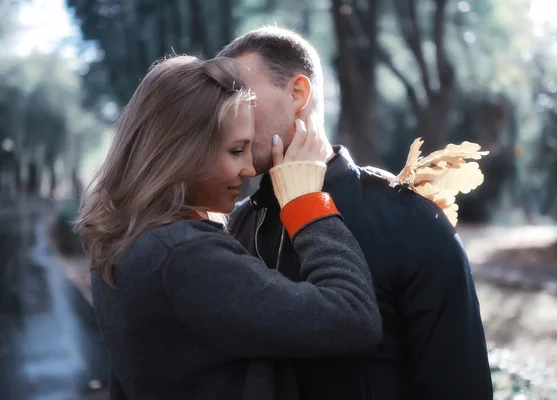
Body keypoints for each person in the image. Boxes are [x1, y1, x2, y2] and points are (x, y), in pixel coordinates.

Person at [75, 55, 382, 400]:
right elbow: (354, 316)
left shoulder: (125, 239)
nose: (250, 169)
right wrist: (307, 203)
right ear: (181, 152)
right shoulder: (182, 255)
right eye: (236, 151)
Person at [219, 27, 494, 399]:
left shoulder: (410, 221)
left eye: (240, 95)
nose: (224, 114)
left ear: (298, 93)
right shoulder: (234, 228)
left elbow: (459, 384)